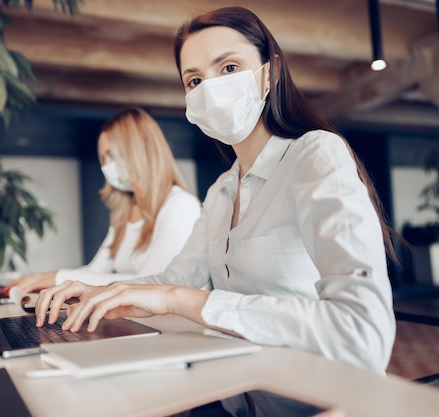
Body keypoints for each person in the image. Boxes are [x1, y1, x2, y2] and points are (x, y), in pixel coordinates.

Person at [33, 7, 397, 416]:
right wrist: (106, 294)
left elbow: (362, 331)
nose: (211, 88)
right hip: (240, 400)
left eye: (228, 66)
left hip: (325, 405)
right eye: (194, 80)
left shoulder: (314, 154)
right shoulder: (222, 189)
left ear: (269, 72)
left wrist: (183, 299)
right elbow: (175, 280)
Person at [3, 106, 201, 295]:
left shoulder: (180, 206)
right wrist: (47, 281)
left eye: (111, 156)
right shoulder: (126, 213)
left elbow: (151, 282)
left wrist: (58, 278)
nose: (107, 167)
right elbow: (94, 271)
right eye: (103, 160)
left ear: (141, 151)